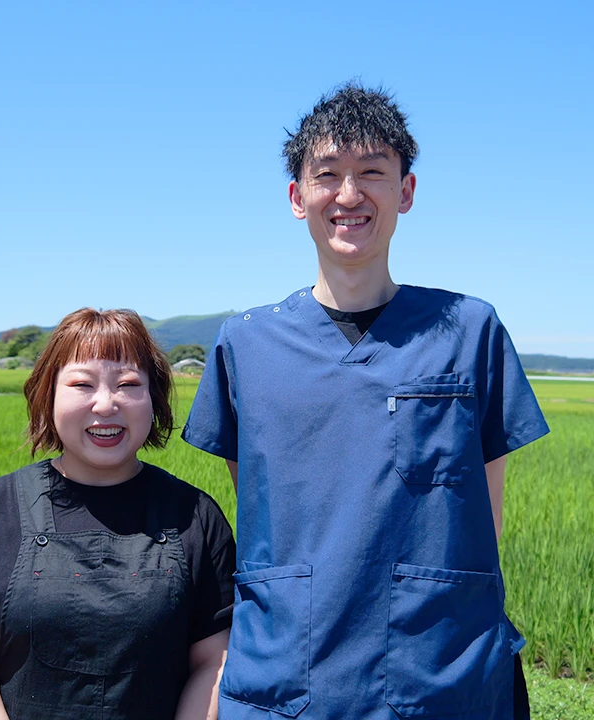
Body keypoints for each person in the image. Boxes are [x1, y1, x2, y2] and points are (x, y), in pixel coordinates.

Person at [182, 84, 549, 719]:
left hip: (439, 670)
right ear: (297, 197)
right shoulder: (246, 343)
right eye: (327, 175)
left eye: (372, 172)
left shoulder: (470, 332)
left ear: (406, 191)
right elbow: (265, 507)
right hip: (288, 671)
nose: (349, 194)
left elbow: (483, 521)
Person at [0, 308, 235, 720]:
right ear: (48, 394)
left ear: (153, 398)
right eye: (82, 384)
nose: (106, 404)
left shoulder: (195, 517)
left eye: (128, 384)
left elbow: (214, 659)